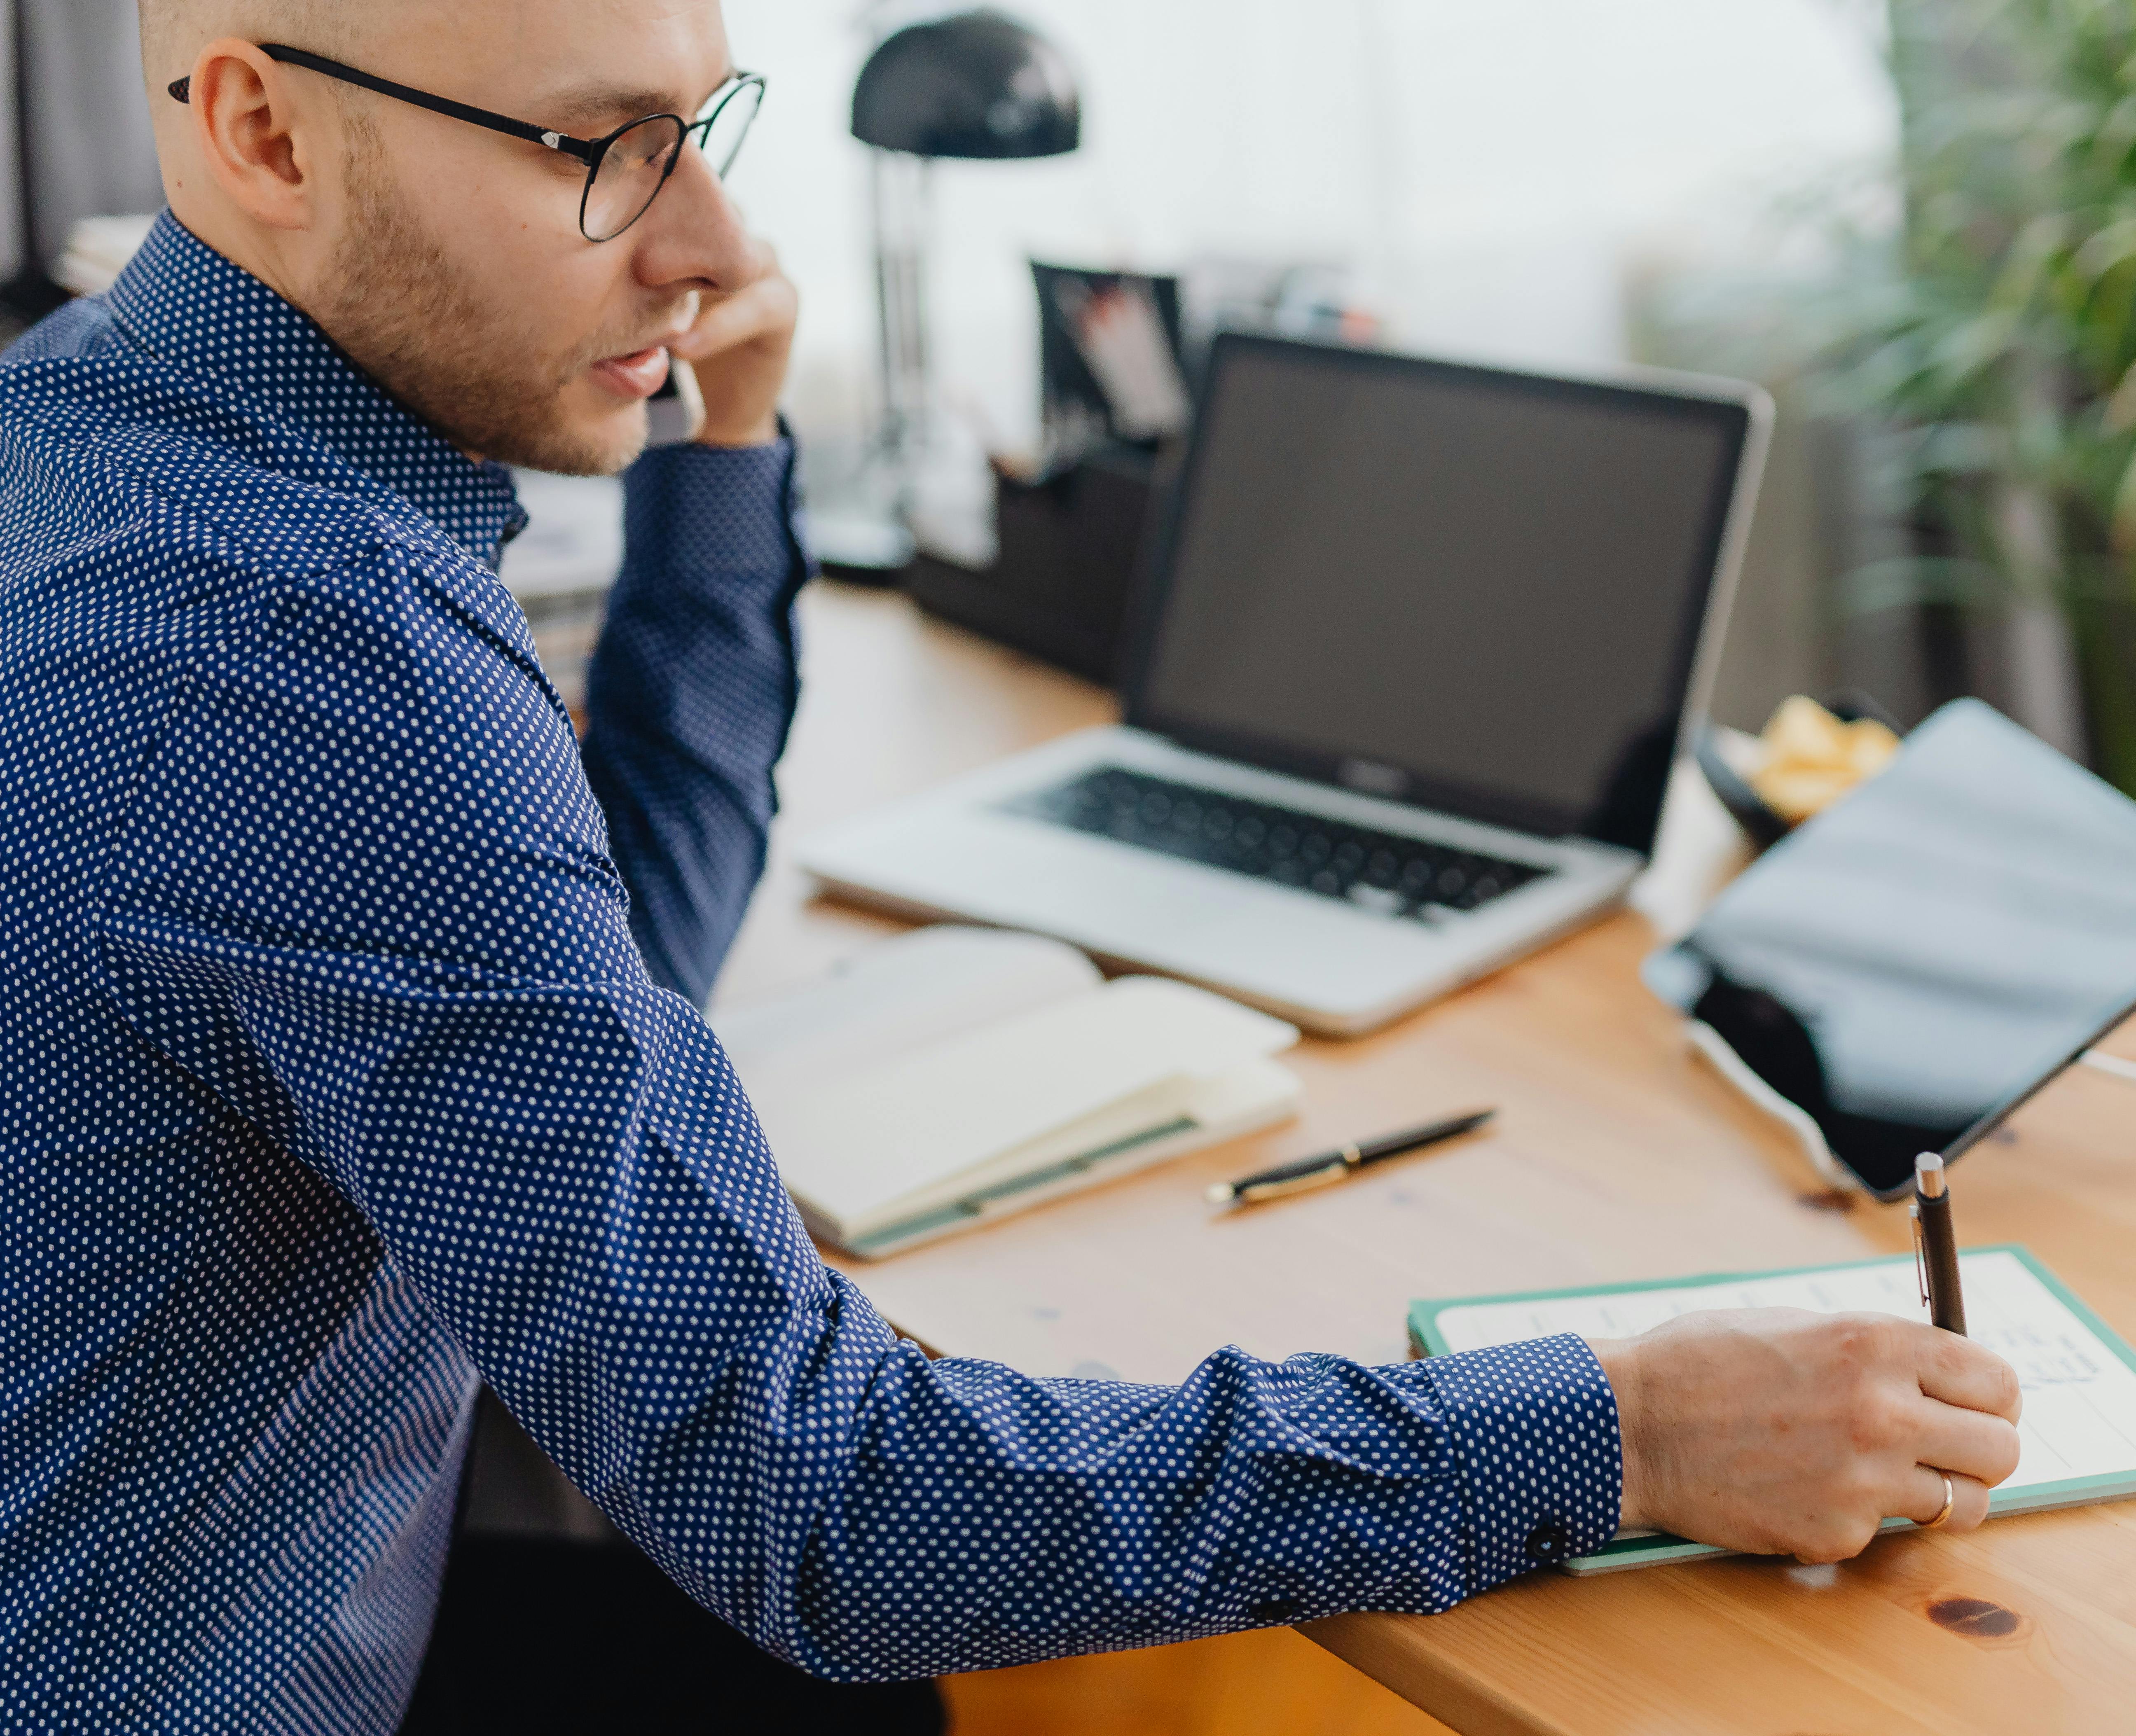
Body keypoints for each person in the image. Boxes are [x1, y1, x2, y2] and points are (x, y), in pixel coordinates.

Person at [0, 2, 2025, 1729]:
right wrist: (1627, 1425)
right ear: (265, 130)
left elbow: (609, 963)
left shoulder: (83, 440)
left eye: (700, 127)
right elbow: (825, 1508)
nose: (709, 239)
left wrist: (725, 456)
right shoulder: (307, 653)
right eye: (594, 148)